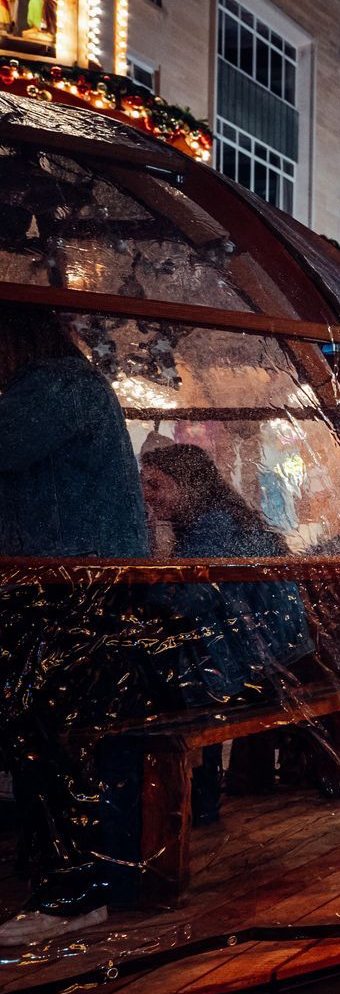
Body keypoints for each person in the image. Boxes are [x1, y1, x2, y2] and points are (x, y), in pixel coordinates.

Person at [0, 305, 150, 947]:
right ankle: (81, 878)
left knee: (59, 740)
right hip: (78, 598)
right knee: (62, 739)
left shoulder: (59, 385)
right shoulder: (71, 386)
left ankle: (80, 885)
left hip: (73, 599)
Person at [139, 442, 313, 818]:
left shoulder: (213, 526)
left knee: (171, 686)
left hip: (267, 665)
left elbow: (180, 603)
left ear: (187, 486)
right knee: (188, 671)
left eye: (155, 485)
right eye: (142, 484)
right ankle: (198, 802)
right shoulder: (221, 519)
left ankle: (188, 807)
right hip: (278, 655)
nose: (145, 494)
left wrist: (153, 545)